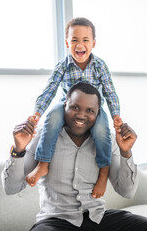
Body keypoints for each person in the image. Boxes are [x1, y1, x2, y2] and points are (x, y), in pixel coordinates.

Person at [2, 83, 147, 231]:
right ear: (64, 105)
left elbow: (127, 191)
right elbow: (11, 188)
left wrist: (126, 152)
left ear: (98, 114)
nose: (81, 115)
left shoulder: (108, 141)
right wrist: (18, 149)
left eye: (90, 111)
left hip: (97, 218)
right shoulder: (43, 139)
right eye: (75, 107)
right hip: (56, 221)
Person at [27, 17, 121, 200]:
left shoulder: (100, 66)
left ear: (93, 43)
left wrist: (116, 115)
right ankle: (43, 162)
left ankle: (103, 173)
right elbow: (50, 89)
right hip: (67, 106)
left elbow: (110, 92)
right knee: (51, 119)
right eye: (75, 40)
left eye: (85, 40)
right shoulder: (62, 66)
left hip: (94, 109)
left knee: (102, 130)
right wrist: (37, 113)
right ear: (67, 43)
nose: (80, 44)